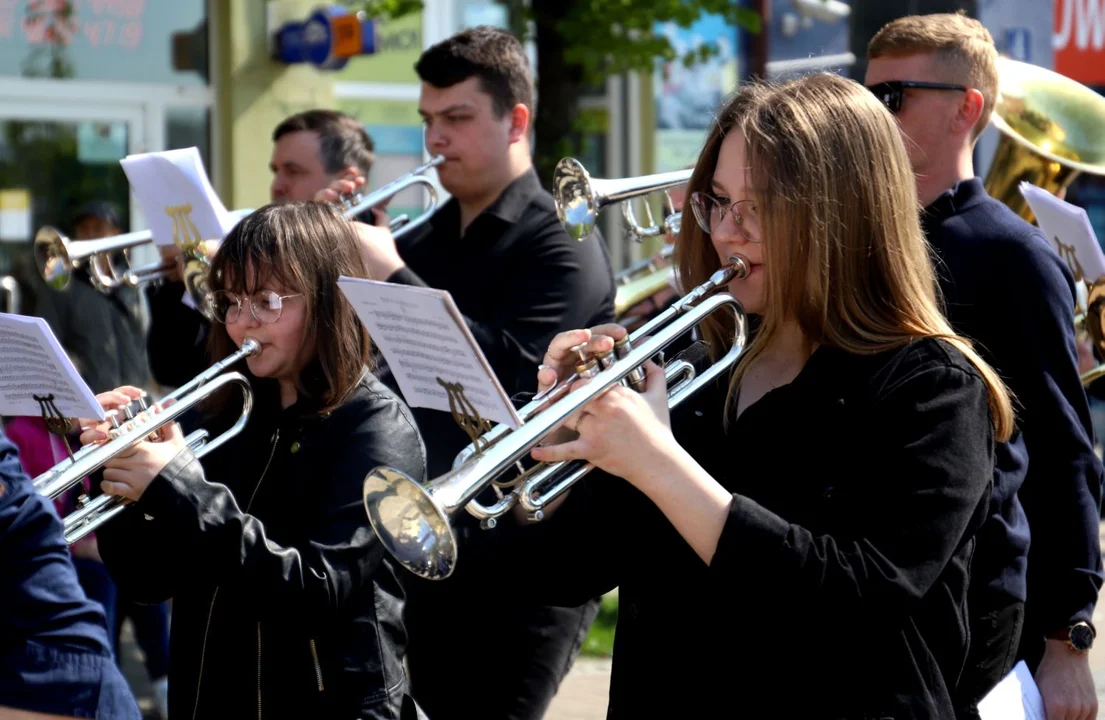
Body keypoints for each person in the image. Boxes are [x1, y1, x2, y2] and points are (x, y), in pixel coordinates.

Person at [432, 71, 1015, 718]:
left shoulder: (931, 388)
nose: (728, 231)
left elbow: (854, 599)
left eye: (762, 204)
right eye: (716, 200)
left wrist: (659, 462)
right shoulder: (696, 369)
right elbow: (565, 571)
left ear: (845, 210)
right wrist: (563, 448)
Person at [338, 25, 616, 720]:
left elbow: (516, 386)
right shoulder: (424, 237)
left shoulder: (562, 240)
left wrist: (390, 278)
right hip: (420, 544)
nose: (435, 140)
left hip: (522, 564)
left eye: (456, 118)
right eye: (428, 120)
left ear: (515, 120)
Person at [85, 202, 428, 718]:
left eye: (267, 301)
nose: (242, 322)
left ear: (328, 301)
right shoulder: (222, 410)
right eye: (231, 300)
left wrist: (182, 491)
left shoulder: (376, 428)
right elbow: (146, 580)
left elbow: (317, 590)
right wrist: (117, 476)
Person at [865, 13, 1104, 719]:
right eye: (865, 94)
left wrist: (1067, 644)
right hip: (884, 608)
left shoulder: (1012, 256)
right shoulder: (857, 241)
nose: (870, 117)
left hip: (981, 628)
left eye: (892, 97)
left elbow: (1064, 455)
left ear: (966, 109)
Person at [145, 110, 380, 389]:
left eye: (293, 172)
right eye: (276, 171)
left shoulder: (383, 255)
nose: (277, 186)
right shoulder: (259, 252)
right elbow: (172, 369)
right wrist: (180, 283)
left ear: (347, 182)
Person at [0, 421, 141, 720]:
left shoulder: (66, 436)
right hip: (48, 660)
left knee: (112, 582)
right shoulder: (22, 433)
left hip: (59, 675)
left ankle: (159, 676)